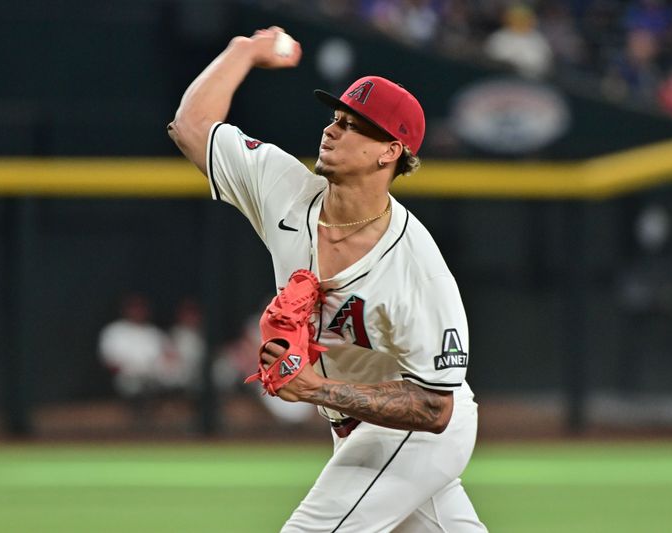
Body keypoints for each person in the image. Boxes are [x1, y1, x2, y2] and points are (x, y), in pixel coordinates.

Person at [168, 26, 487, 532]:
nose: (332, 130)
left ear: (390, 152)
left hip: (419, 432)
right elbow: (191, 125)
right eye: (336, 118)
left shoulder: (415, 267)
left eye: (354, 124)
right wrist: (243, 51)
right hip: (359, 428)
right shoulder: (284, 188)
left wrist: (317, 388)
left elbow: (434, 406)